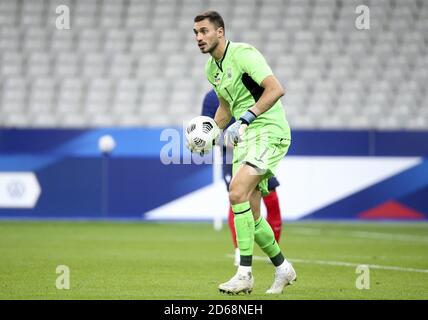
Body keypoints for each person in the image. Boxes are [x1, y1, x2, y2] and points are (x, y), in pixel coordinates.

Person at [191, 11, 296, 294]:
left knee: (236, 192)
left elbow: (275, 89)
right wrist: (207, 134)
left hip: (268, 130)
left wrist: (247, 118)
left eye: (204, 31)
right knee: (251, 213)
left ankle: (245, 274)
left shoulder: (244, 54)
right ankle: (283, 268)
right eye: (196, 33)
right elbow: (225, 109)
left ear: (220, 32)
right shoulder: (211, 69)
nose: (199, 38)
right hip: (245, 138)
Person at [201, 89, 283, 267]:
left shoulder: (248, 89)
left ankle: (274, 249)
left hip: (257, 149)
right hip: (231, 157)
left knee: (271, 197)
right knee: (238, 197)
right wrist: (223, 140)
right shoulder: (211, 97)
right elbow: (208, 130)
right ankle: (240, 250)